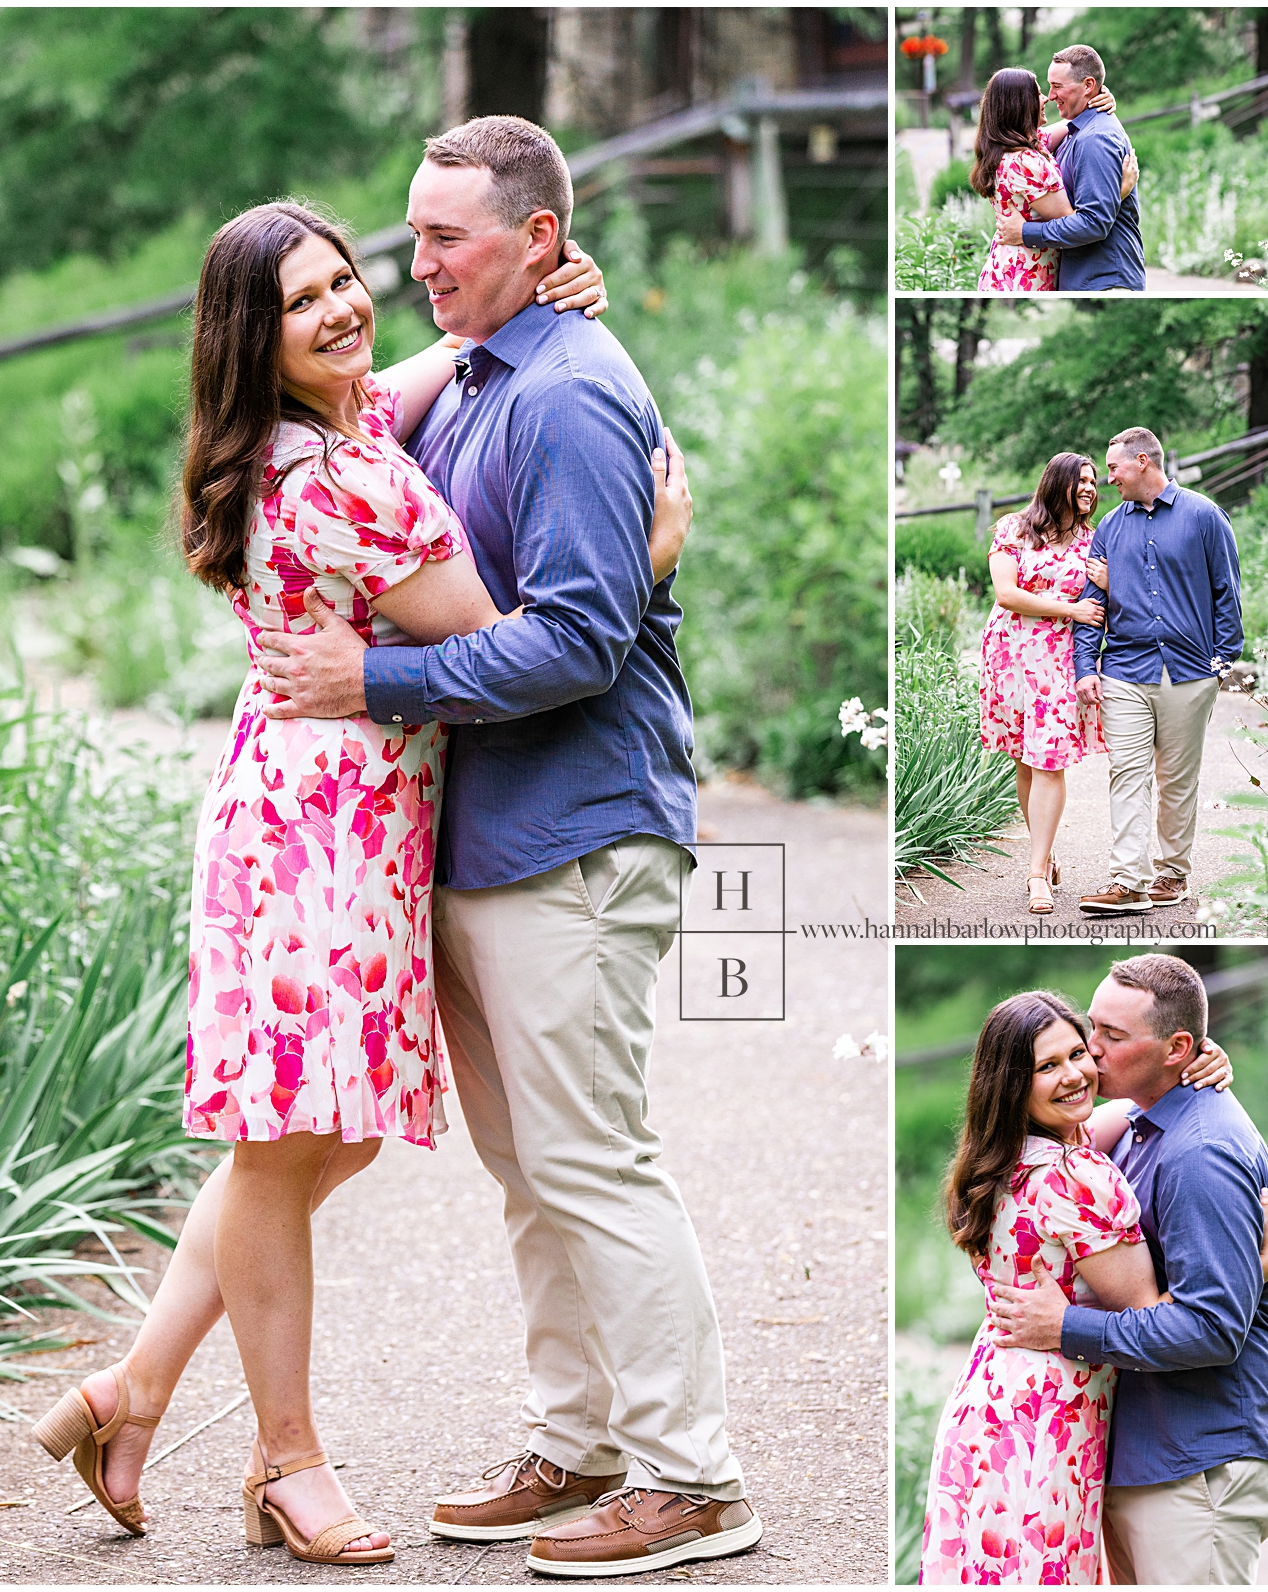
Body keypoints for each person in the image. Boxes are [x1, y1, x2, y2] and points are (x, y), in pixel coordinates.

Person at [31, 203, 690, 1565]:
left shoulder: (296, 440)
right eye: (302, 303)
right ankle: (287, 1459)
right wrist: (648, 554)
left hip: (304, 820)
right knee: (284, 1155)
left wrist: (526, 310)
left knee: (316, 1140)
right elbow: (522, 645)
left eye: (348, 281)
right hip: (323, 846)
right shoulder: (352, 483)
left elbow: (407, 378)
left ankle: (132, 1392)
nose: (343, 312)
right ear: (250, 341)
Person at [252, 115, 763, 1578]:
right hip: (483, 846)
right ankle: (579, 1439)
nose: (417, 266)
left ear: (538, 237)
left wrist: (376, 683)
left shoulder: (573, 397)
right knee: (533, 1171)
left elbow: (584, 643)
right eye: (410, 236)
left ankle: (693, 1479)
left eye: (447, 238)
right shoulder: (483, 375)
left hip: (578, 837)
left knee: (595, 1161)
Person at [921, 971, 1268, 1584]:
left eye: (1097, 1039)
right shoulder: (1080, 1169)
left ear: (1173, 1047)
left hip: (992, 1412)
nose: (1087, 1057)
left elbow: (1199, 1325)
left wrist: (1196, 1058)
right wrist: (1258, 1267)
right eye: (1052, 1062)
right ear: (1012, 1085)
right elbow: (1151, 1307)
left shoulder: (1002, 1156)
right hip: (1049, 1417)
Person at [1071, 427, 1243, 915]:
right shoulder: (1109, 527)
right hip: (1125, 668)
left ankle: (1172, 874)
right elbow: (1093, 602)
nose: (1108, 480)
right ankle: (1129, 882)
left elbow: (1226, 591)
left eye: (1114, 469)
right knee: (1126, 772)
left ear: (1142, 461)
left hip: (1189, 672)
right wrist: (1087, 666)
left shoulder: (1204, 516)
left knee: (1176, 779)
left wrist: (1220, 663)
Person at [978, 453, 1107, 913]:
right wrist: (1070, 609)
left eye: (1095, 481)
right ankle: (1045, 854)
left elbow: (1107, 600)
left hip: (1058, 658)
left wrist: (1110, 584)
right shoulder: (1014, 528)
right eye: (1083, 480)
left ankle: (1036, 875)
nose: (1092, 488)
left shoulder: (1094, 540)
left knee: (1049, 759)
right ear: (1059, 483)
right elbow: (1006, 594)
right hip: (1010, 653)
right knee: (1026, 759)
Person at [994, 45, 1146, 291]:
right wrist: (1116, 195)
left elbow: (1094, 221)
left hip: (1103, 280)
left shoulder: (1094, 139)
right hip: (1082, 277)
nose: (1050, 96)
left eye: (1057, 86)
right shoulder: (1066, 135)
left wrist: (1025, 232)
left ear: (1087, 86)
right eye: (1048, 87)